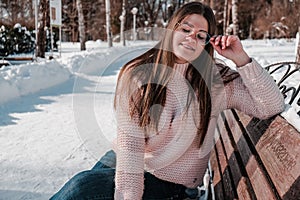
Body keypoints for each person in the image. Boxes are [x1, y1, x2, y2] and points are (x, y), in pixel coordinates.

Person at [50, 2, 285, 200]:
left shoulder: (216, 82)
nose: (191, 38)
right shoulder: (139, 74)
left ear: (206, 44)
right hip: (134, 159)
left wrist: (242, 59)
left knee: (80, 188)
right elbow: (130, 146)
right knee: (86, 184)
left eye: (201, 35)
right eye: (186, 29)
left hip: (171, 184)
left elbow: (270, 105)